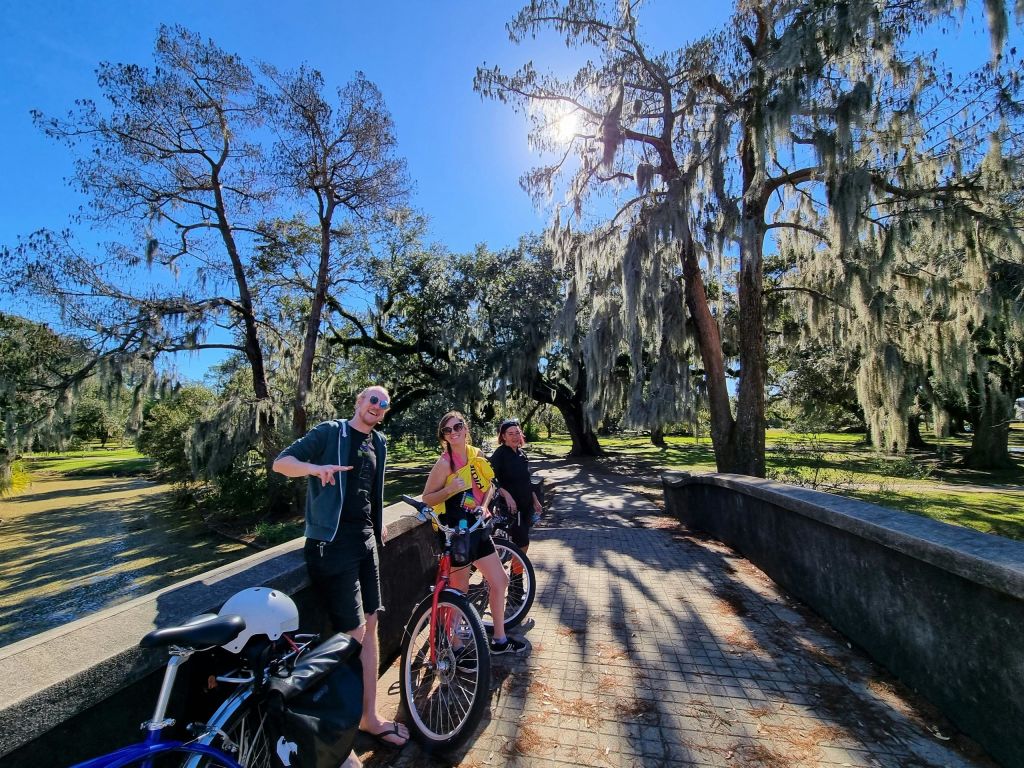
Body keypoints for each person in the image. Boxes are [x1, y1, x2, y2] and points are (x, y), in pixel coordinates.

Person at [272, 386, 409, 756]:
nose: (377, 407)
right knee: (354, 633)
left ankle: (369, 716)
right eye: (372, 400)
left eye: (383, 404)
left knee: (372, 623)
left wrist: (377, 522)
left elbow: (373, 490)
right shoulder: (330, 432)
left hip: (365, 542)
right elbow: (282, 463)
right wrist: (315, 469)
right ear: (358, 402)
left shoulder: (377, 442)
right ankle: (339, 736)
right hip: (330, 546)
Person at [420, 411, 526, 655]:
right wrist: (449, 489)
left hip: (476, 527)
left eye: (458, 426)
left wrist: (484, 505)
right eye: (448, 430)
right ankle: (455, 647)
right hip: (455, 533)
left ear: (466, 428)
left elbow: (489, 486)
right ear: (443, 437)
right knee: (460, 591)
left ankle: (499, 640)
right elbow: (427, 498)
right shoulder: (444, 463)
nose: (454, 432)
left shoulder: (476, 454)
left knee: (500, 581)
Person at [489, 418, 543, 555]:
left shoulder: (521, 454)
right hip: (512, 508)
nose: (515, 436)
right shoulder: (500, 454)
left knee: (521, 540)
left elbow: (526, 480)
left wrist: (535, 500)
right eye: (510, 433)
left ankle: (513, 572)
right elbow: (491, 479)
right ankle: (516, 574)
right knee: (523, 542)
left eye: (517, 433)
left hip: (526, 505)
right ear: (503, 436)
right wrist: (506, 495)